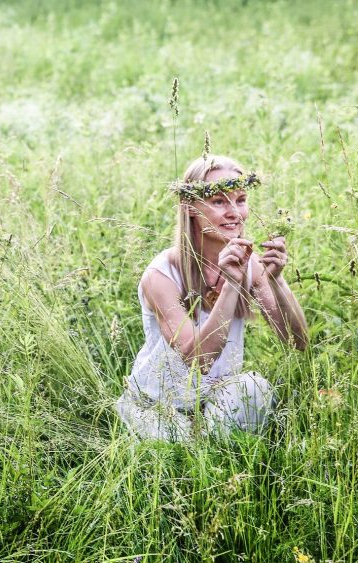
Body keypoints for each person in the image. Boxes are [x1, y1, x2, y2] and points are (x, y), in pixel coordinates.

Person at [115, 154, 308, 442]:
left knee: (255, 389)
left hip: (216, 395)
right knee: (181, 450)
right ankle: (198, 441)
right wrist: (232, 284)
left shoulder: (251, 264)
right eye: (219, 201)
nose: (234, 212)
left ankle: (214, 442)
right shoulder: (162, 275)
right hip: (159, 404)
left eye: (240, 200)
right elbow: (199, 361)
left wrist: (276, 280)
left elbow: (297, 341)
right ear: (190, 207)